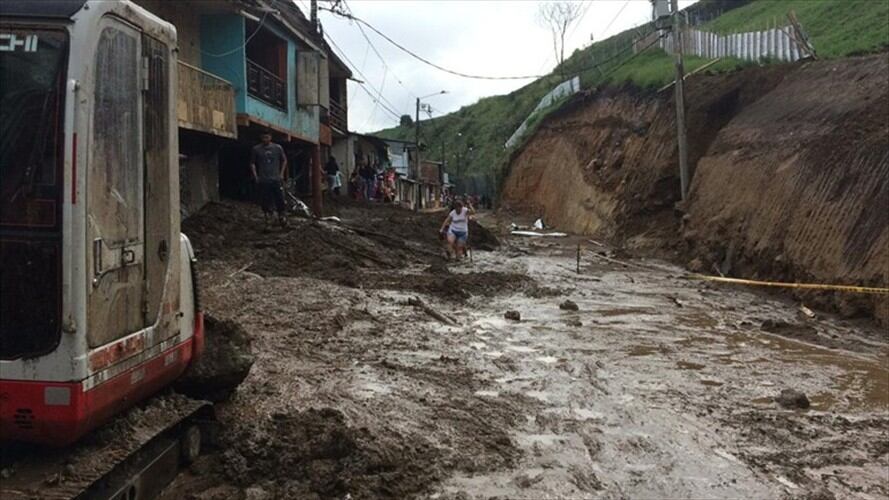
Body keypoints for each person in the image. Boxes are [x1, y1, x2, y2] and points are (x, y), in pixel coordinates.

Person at [250, 132, 288, 227]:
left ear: (270, 137)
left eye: (267, 137)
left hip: (275, 178)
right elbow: (252, 163)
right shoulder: (256, 149)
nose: (265, 139)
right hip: (264, 179)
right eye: (263, 137)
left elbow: (284, 160)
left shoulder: (277, 148)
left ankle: (282, 217)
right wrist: (256, 176)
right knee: (266, 200)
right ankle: (268, 219)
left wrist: (281, 173)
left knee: (280, 199)